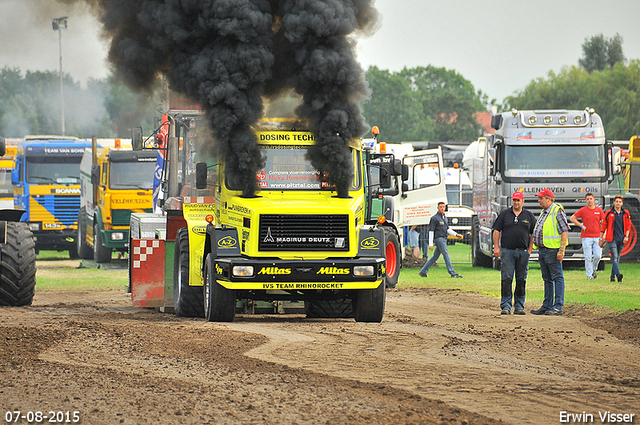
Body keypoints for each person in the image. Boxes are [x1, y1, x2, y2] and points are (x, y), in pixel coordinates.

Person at [492, 191, 537, 315]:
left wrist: (529, 250)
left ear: (523, 201)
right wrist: (496, 247)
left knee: (521, 279)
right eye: (514, 200)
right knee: (506, 278)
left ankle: (519, 306)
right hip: (507, 251)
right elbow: (496, 230)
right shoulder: (505, 214)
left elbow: (533, 233)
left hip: (523, 252)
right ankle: (506, 305)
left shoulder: (528, 216)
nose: (516, 203)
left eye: (518, 200)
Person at [530, 189, 570, 316]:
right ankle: (547, 305)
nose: (539, 200)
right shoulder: (544, 212)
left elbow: (565, 230)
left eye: (541, 198)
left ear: (549, 199)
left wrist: (561, 250)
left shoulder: (556, 211)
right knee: (547, 278)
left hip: (552, 250)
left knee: (557, 277)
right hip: (543, 249)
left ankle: (558, 306)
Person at [418, 202, 463, 278]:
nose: (442, 208)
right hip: (439, 239)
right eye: (440, 207)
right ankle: (452, 273)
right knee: (446, 255)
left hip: (444, 238)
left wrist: (456, 234)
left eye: (443, 207)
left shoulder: (444, 217)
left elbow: (447, 229)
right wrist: (431, 244)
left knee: (435, 257)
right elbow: (431, 231)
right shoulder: (434, 218)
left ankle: (423, 271)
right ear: (437, 208)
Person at [569, 193, 604, 279]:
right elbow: (572, 218)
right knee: (588, 257)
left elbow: (603, 222)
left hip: (597, 236)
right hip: (586, 236)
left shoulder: (599, 210)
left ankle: (594, 268)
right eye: (587, 199)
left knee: (598, 255)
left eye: (590, 199)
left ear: (594, 199)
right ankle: (589, 275)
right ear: (586, 200)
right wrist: (581, 225)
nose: (589, 200)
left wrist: (603, 234)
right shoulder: (583, 210)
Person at [600, 195, 632, 283]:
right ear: (614, 202)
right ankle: (618, 274)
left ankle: (612, 277)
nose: (618, 203)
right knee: (614, 257)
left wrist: (626, 236)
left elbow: (628, 225)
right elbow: (604, 225)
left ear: (622, 203)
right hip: (611, 238)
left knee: (617, 258)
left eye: (620, 202)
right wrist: (601, 237)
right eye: (616, 201)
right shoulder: (609, 213)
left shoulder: (625, 213)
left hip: (621, 238)